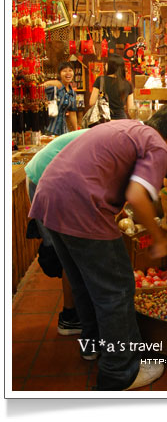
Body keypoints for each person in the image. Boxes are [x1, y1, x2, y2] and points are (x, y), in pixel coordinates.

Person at [29, 105, 167, 391]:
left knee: (83, 282)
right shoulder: (156, 142)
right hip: (80, 207)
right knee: (117, 291)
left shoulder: (125, 126)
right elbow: (136, 195)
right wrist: (159, 238)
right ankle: (119, 372)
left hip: (49, 198)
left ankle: (93, 345)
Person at [25, 129, 89, 335]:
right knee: (68, 253)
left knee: (68, 251)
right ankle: (70, 317)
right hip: (45, 179)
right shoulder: (124, 145)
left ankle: (74, 313)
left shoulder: (116, 137)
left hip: (46, 176)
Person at [89, 54, 134, 119]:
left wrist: (102, 96)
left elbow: (92, 102)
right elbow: (130, 109)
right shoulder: (128, 84)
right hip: (122, 120)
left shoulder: (101, 80)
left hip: (104, 120)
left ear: (110, 66)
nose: (105, 65)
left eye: (106, 64)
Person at [43, 61, 78, 135]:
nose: (68, 73)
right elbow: (38, 89)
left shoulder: (72, 93)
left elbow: (72, 113)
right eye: (64, 71)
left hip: (63, 130)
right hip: (48, 128)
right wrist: (51, 82)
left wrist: (76, 131)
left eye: (70, 70)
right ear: (60, 73)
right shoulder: (55, 87)